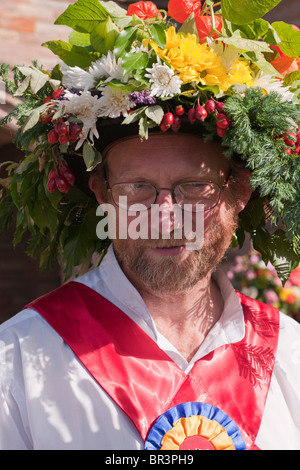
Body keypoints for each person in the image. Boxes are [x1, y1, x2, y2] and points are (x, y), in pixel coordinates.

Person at [0, 0, 300, 451]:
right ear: (102, 192)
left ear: (241, 191)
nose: (164, 216)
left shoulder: (292, 356)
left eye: (193, 185)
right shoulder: (18, 359)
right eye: (137, 187)